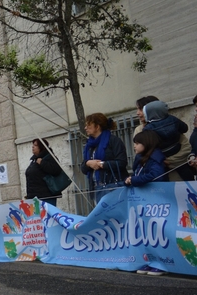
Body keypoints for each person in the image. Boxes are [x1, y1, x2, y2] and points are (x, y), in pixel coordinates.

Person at [125, 130, 168, 276]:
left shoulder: (155, 158)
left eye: (137, 143)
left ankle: (161, 263)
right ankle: (149, 260)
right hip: (144, 203)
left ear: (147, 143)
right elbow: (139, 175)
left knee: (158, 233)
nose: (135, 146)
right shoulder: (141, 159)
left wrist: (135, 180)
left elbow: (156, 176)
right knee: (146, 233)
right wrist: (130, 180)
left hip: (156, 202)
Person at [80, 113, 128, 205]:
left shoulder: (114, 141)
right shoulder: (89, 145)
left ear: (97, 127)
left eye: (88, 125)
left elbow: (122, 162)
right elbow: (83, 168)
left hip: (113, 187)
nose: (85, 128)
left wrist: (101, 164)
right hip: (96, 189)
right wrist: (88, 163)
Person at [141, 97, 193, 181]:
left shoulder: (148, 128)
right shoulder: (173, 119)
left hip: (162, 155)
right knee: (185, 171)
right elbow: (184, 128)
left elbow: (147, 144)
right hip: (176, 149)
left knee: (163, 176)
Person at [24, 139, 63, 206]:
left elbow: (56, 170)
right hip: (34, 198)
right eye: (33, 145)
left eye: (35, 145)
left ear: (42, 147)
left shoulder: (49, 157)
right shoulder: (34, 160)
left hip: (46, 197)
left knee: (46, 216)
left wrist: (42, 163)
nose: (33, 147)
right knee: (36, 216)